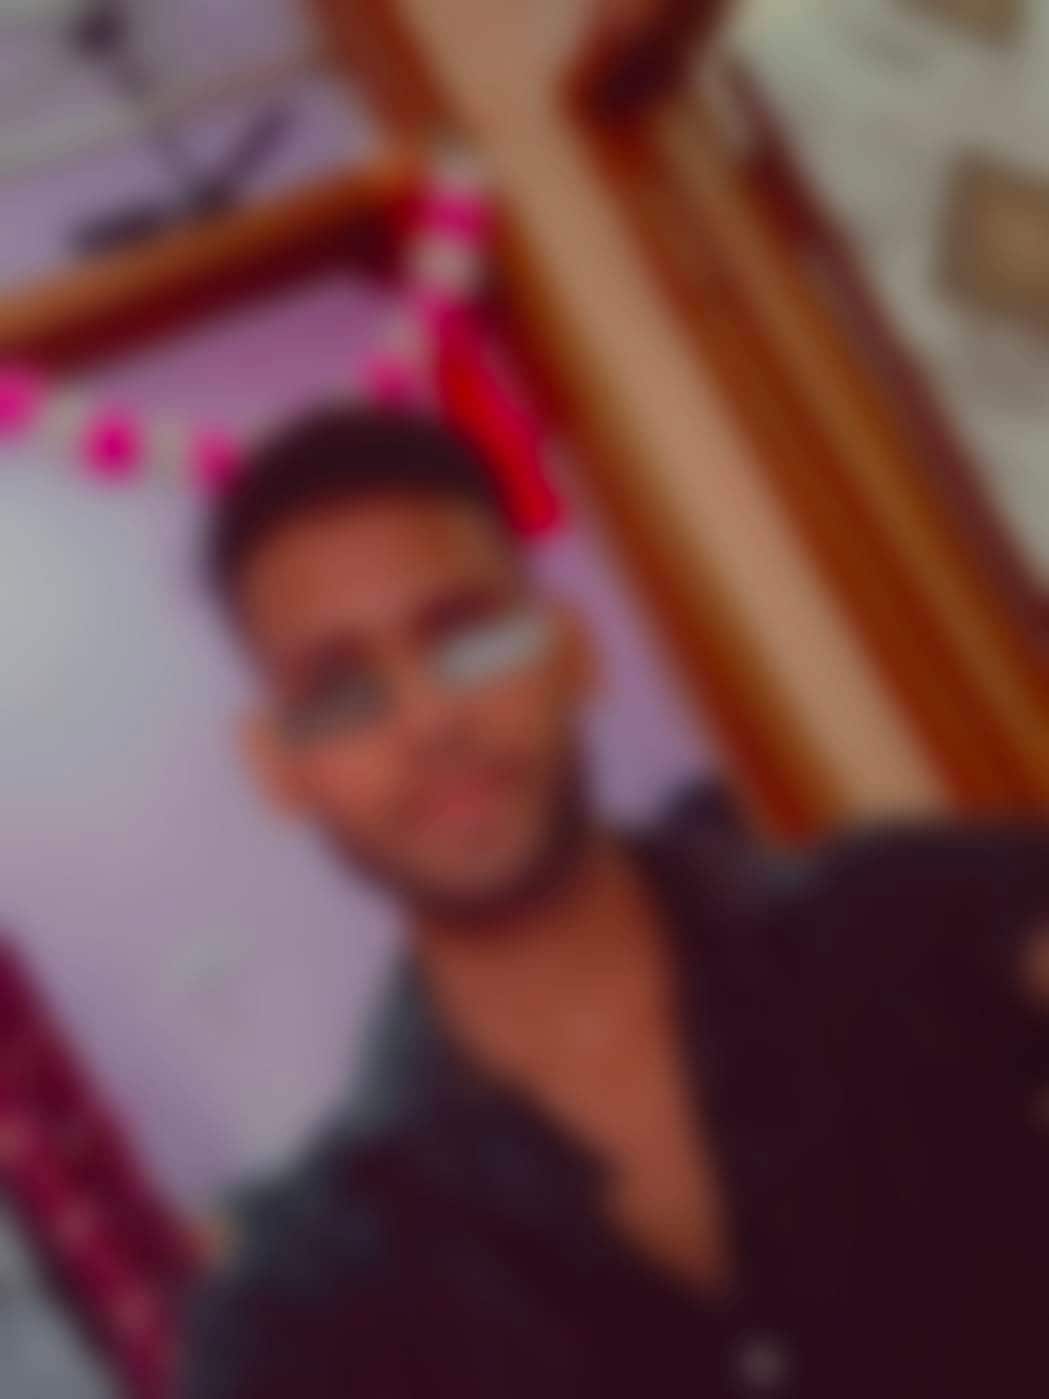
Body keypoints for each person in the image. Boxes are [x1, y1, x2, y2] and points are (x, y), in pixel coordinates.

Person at [182, 407, 1049, 1399]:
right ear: (278, 767)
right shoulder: (307, 1301)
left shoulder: (913, 922)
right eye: (338, 691)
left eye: (466, 637)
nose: (428, 718)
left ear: (568, 650)